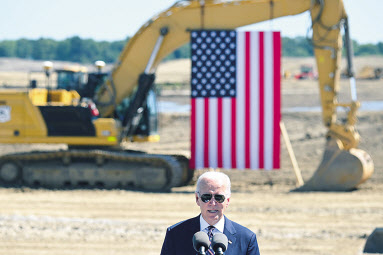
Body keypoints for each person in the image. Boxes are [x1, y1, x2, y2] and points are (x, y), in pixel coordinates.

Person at [160, 171, 260, 255]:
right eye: (206, 197)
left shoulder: (246, 238)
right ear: (197, 199)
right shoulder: (175, 234)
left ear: (227, 201)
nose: (212, 203)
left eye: (219, 198)